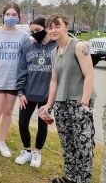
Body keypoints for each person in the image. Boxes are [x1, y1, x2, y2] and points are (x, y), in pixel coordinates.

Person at [40, 14, 96, 183]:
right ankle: (70, 177)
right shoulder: (53, 52)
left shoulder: (79, 46)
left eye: (57, 26)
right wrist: (48, 105)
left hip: (79, 102)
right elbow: (54, 80)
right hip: (61, 103)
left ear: (66, 26)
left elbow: (89, 75)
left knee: (83, 145)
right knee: (67, 143)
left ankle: (82, 179)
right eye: (50, 27)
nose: (53, 30)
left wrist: (84, 102)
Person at [0, 2, 30, 162]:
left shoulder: (23, 36)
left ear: (18, 17)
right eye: (7, 14)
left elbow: (27, 58)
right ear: (2, 16)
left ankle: (1, 141)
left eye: (13, 15)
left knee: (8, 112)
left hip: (14, 81)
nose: (10, 17)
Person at [14, 16, 57, 167]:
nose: (34, 34)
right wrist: (20, 92)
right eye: (32, 31)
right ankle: (27, 151)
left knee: (43, 125)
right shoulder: (27, 46)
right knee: (22, 123)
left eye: (37, 30)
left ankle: (37, 153)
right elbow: (21, 70)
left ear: (46, 28)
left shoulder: (56, 47)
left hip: (46, 97)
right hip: (28, 94)